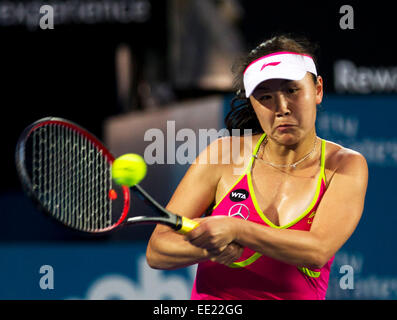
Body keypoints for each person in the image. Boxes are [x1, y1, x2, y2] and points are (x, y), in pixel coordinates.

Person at [146, 35, 368, 300]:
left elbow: (317, 251)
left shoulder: (345, 164)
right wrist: (209, 248)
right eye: (265, 97)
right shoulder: (223, 154)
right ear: (253, 103)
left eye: (292, 90)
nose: (282, 108)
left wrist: (238, 229)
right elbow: (157, 250)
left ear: (318, 89)